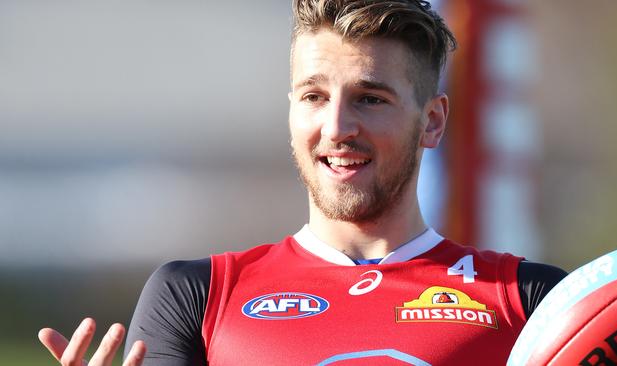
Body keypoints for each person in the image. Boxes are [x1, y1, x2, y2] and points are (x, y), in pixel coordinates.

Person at [38, 0, 567, 365]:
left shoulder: (534, 299)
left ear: (432, 121)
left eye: (371, 98)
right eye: (314, 96)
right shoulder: (196, 296)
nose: (336, 128)